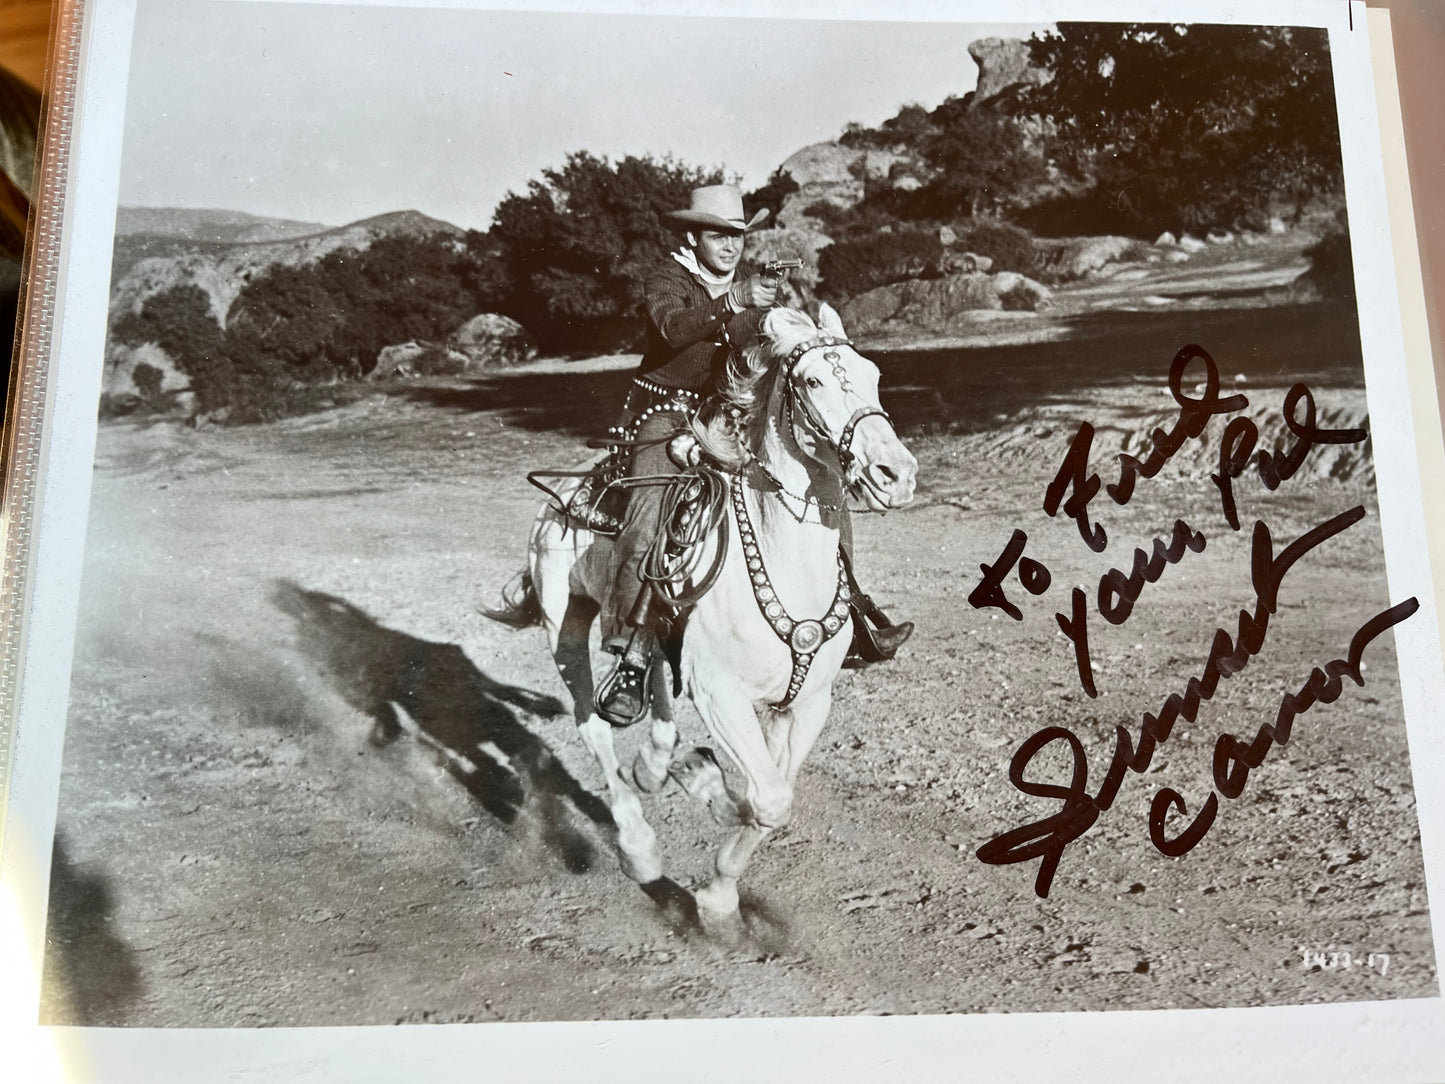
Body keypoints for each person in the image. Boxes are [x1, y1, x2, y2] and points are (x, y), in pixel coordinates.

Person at [593, 184, 909, 726]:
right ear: (694, 237)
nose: (730, 245)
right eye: (718, 235)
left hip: (731, 411)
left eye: (737, 236)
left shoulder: (749, 288)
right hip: (663, 414)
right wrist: (738, 301)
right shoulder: (667, 278)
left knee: (821, 488)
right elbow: (673, 329)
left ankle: (853, 612)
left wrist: (780, 322)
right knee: (650, 511)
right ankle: (632, 653)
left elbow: (772, 339)